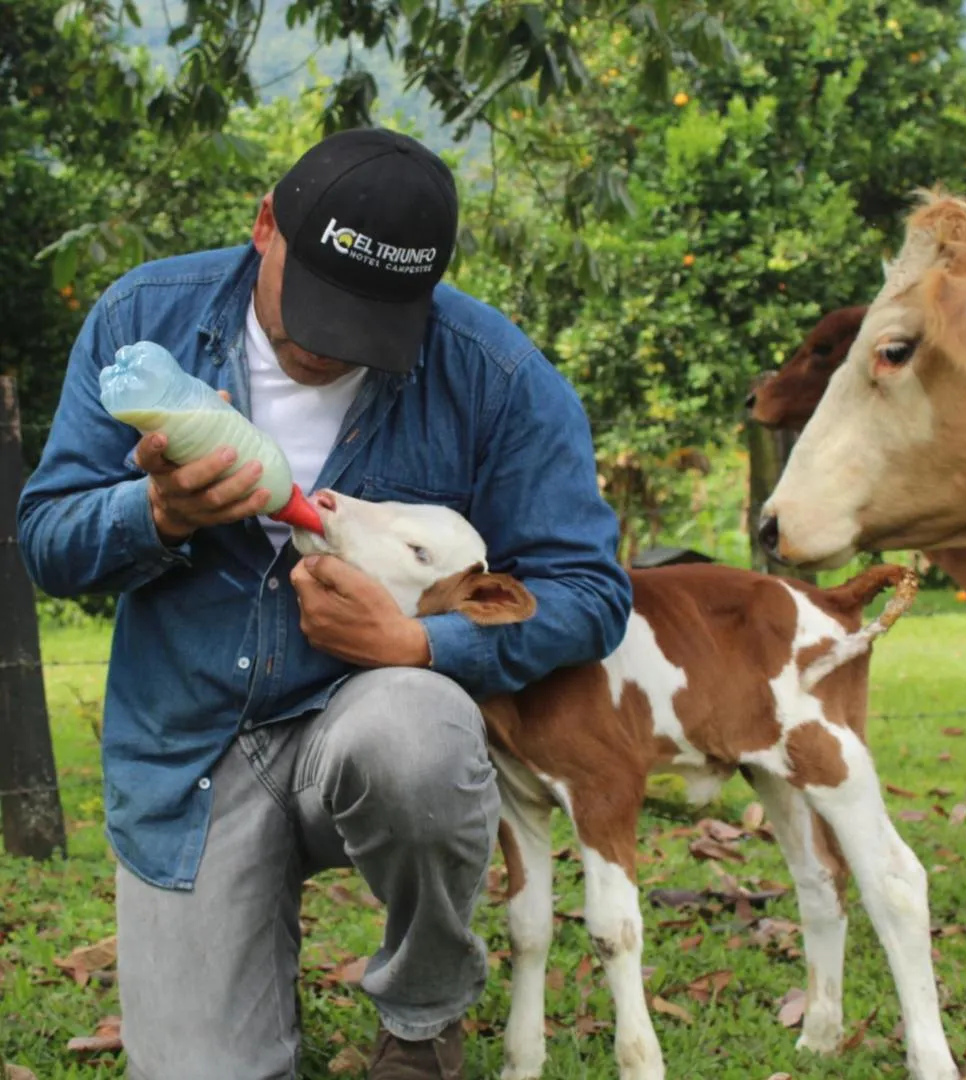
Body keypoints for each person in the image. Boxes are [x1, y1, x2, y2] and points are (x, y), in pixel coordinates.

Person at [17, 127, 633, 1080]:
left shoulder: (492, 371)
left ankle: (424, 1018)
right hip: (192, 756)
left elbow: (590, 592)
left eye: (368, 324)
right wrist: (155, 513)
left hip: (364, 721)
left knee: (417, 727)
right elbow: (48, 539)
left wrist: (423, 645)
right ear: (266, 227)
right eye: (314, 311)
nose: (326, 348)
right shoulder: (147, 317)